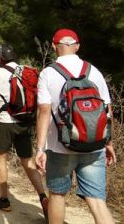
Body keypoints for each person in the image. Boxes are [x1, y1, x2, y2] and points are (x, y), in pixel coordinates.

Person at [35, 29, 116, 224]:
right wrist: (108, 143)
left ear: (54, 47)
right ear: (77, 46)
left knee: (57, 195)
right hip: (94, 145)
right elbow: (107, 110)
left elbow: (44, 111)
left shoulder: (48, 74)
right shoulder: (94, 71)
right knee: (97, 201)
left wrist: (40, 148)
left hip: (59, 146)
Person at [0, 44, 48, 217]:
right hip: (25, 120)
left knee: (1, 157)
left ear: (0, 58)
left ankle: (4, 199)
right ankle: (43, 196)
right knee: (27, 161)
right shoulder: (24, 70)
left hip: (6, 121)